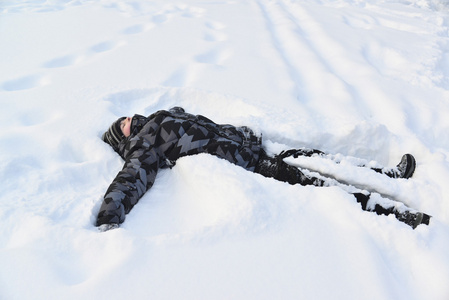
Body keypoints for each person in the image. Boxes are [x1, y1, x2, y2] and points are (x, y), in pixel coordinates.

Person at [97, 107, 430, 232]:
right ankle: (397, 215)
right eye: (120, 125)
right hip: (253, 164)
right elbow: (130, 179)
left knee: (324, 157)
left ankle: (386, 174)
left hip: (254, 144)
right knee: (323, 185)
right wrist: (109, 216)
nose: (126, 120)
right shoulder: (143, 145)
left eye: (124, 117)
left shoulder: (161, 114)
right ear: (122, 139)